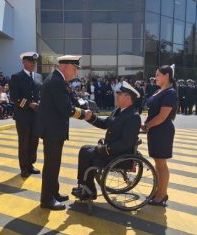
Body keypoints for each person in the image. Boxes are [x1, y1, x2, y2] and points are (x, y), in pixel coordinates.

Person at [34, 55, 89, 210]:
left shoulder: (57, 79)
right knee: (51, 165)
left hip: (54, 129)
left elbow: (68, 102)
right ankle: (47, 200)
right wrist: (84, 114)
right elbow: (65, 108)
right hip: (52, 131)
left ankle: (54, 192)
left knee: (54, 164)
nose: (75, 73)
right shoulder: (56, 82)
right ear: (65, 66)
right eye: (74, 69)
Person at [71, 81, 141, 200]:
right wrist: (90, 117)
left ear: (128, 97)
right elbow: (105, 124)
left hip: (119, 155)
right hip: (112, 151)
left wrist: (104, 149)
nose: (116, 96)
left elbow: (125, 143)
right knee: (84, 150)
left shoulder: (133, 116)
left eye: (119, 94)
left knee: (87, 154)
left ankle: (89, 189)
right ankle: (84, 185)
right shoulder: (118, 110)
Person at [141, 65, 178, 207]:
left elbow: (162, 116)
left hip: (162, 130)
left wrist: (148, 125)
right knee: (157, 163)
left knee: (161, 164)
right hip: (155, 130)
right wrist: (146, 123)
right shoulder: (159, 91)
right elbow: (152, 112)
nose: (155, 77)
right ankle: (158, 191)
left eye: (158, 75)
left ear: (166, 75)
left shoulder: (170, 92)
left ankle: (162, 195)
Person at [9, 52, 42, 177]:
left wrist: (41, 103)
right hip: (23, 116)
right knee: (24, 142)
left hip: (36, 115)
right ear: (24, 62)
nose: (33, 64)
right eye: (31, 61)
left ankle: (30, 164)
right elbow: (14, 98)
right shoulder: (16, 77)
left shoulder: (38, 77)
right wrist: (29, 104)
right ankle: (23, 167)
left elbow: (41, 94)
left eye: (35, 62)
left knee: (34, 141)